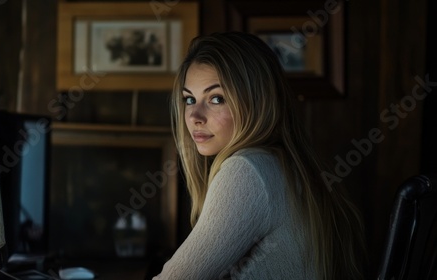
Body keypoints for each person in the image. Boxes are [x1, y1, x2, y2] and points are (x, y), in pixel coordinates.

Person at [153, 32, 365, 280]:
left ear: (256, 102)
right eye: (189, 99)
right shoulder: (280, 163)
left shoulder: (246, 170)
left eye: (216, 98)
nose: (194, 116)